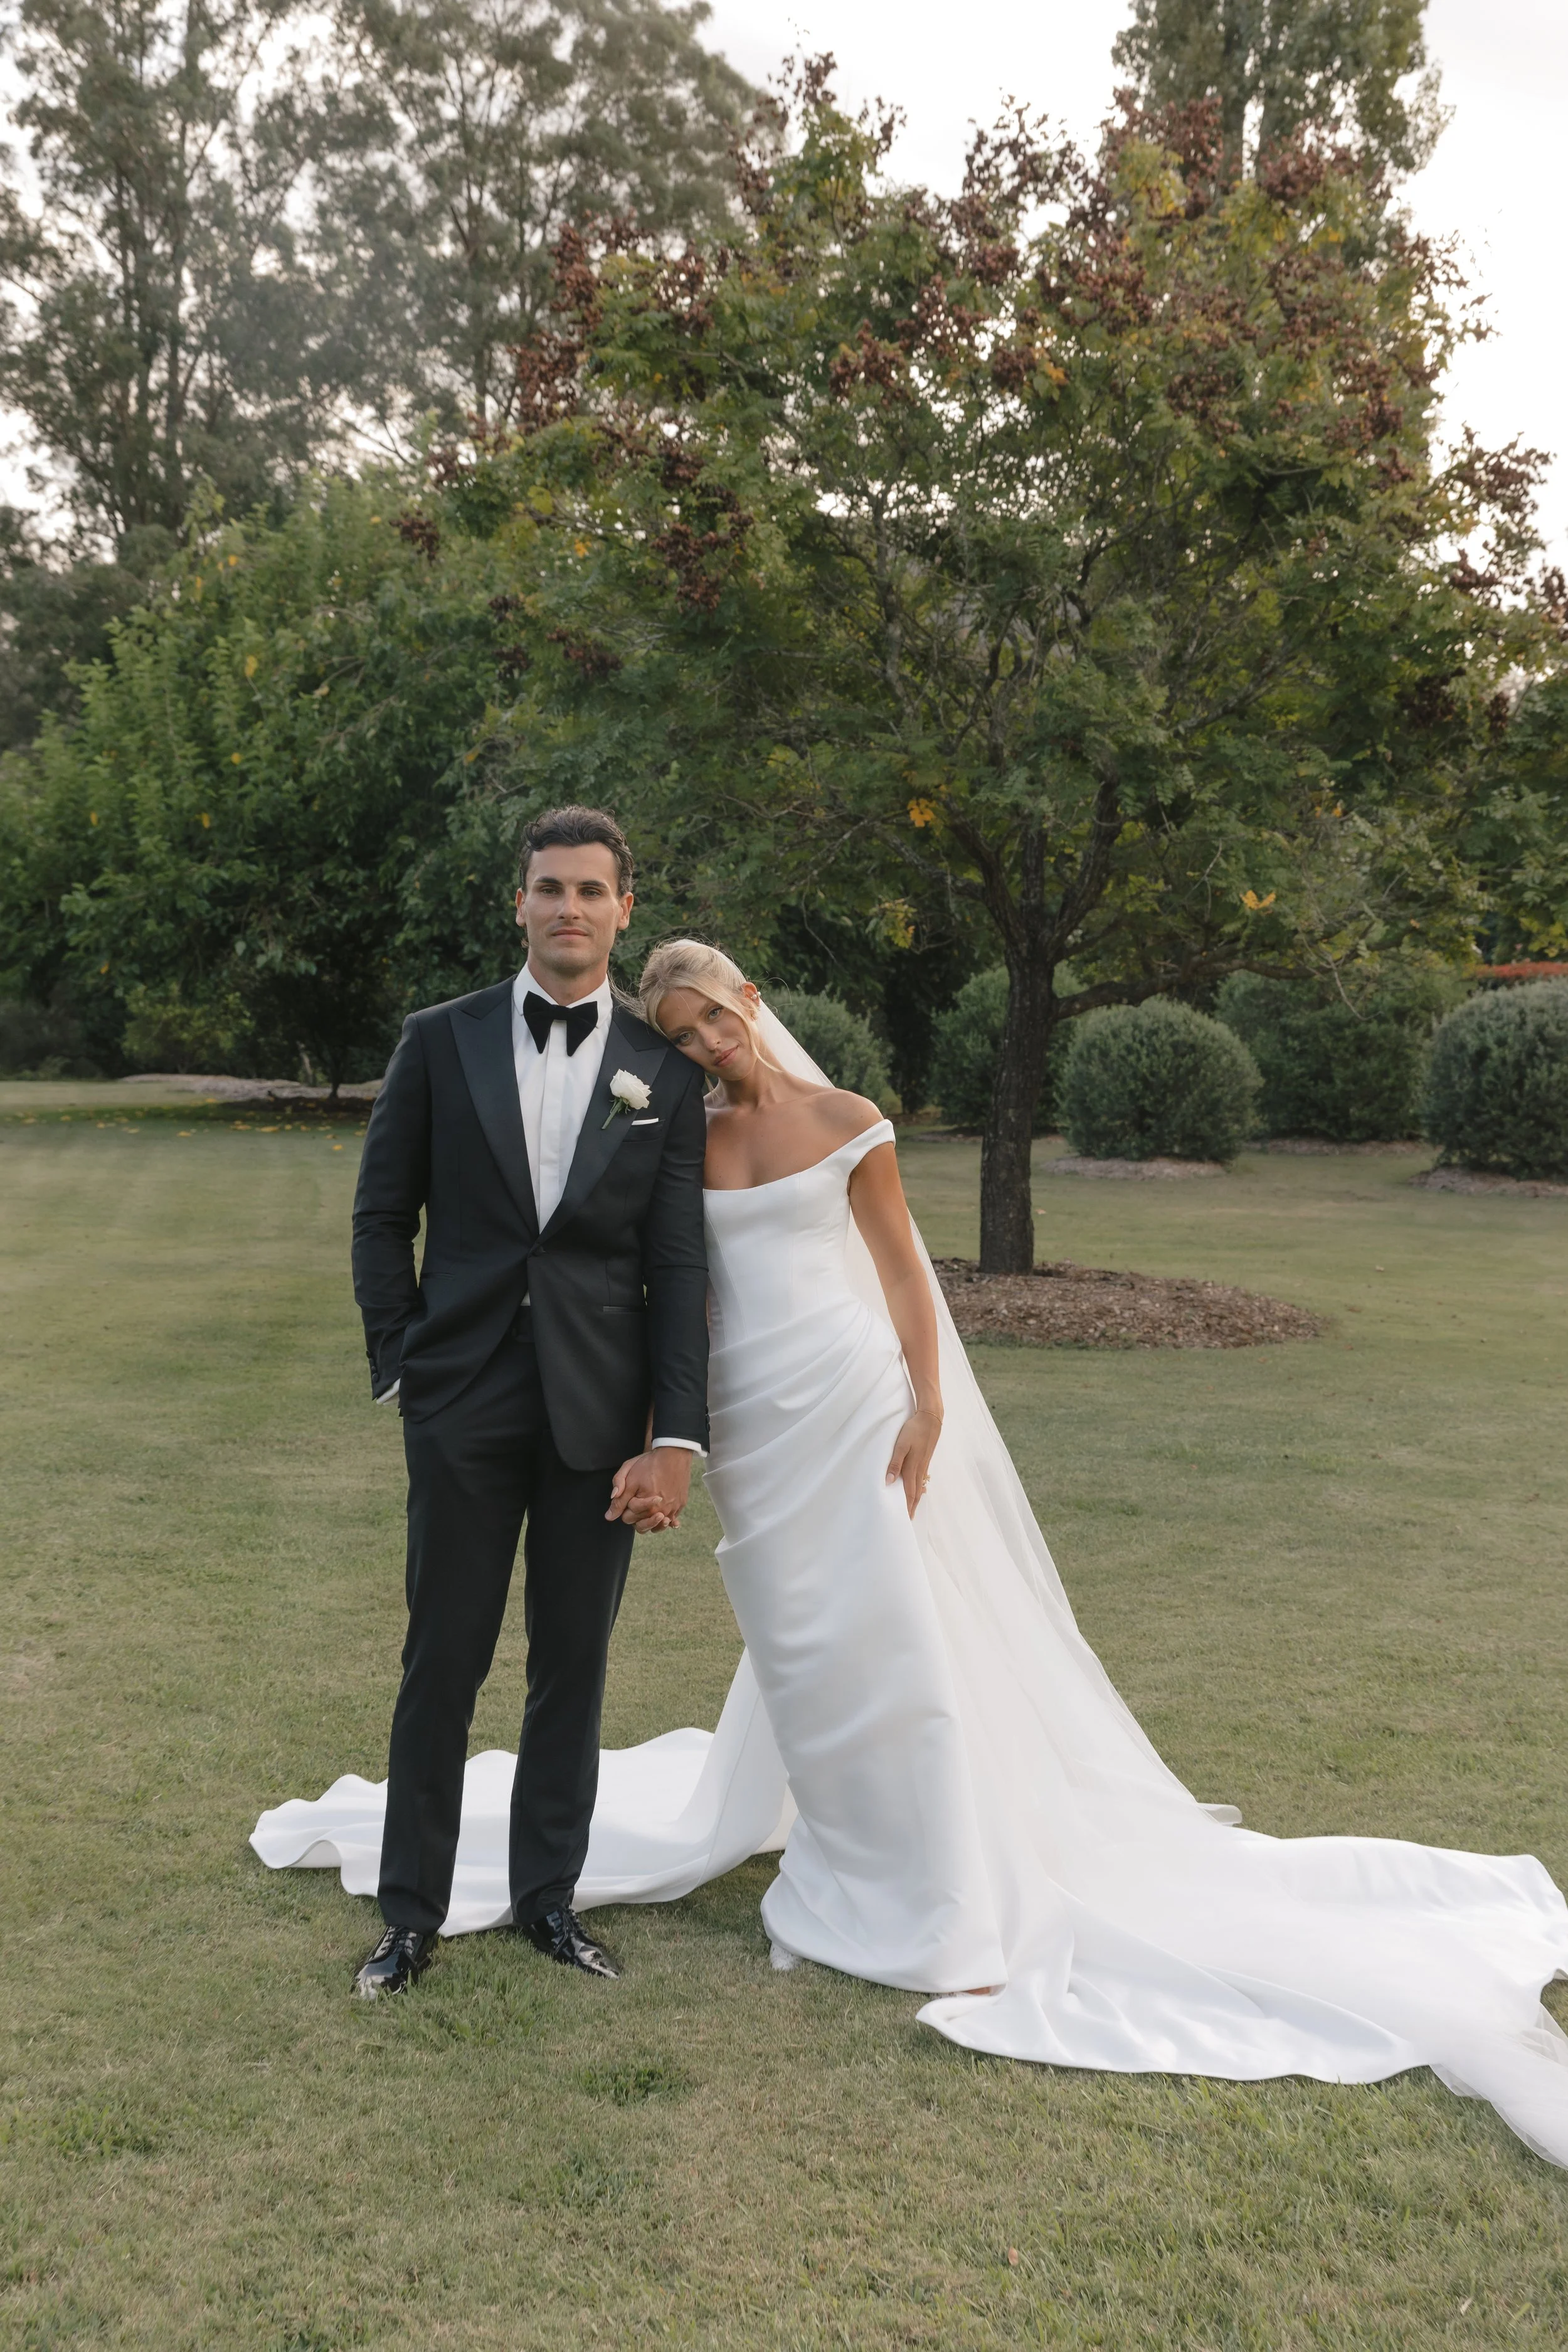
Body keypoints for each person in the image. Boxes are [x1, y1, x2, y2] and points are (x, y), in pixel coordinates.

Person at [255, 937, 1568, 2169]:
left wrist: (926, 1400)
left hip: (847, 1397)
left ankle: (935, 1896)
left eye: (715, 1014)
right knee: (794, 1644)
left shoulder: (846, 1119)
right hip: (744, 1426)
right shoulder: (669, 1134)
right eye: (682, 1031)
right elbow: (652, 1277)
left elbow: (900, 1272)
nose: (707, 1042)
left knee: (888, 1632)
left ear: (748, 998)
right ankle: (692, 1859)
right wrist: (657, 1426)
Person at [338, 808, 707, 1996]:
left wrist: (677, 1433)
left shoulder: (665, 1069)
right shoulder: (438, 1041)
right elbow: (381, 1214)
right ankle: (410, 1916)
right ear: (520, 903)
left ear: (623, 909)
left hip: (599, 1416)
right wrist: (404, 1360)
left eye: (593, 892)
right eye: (550, 888)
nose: (570, 910)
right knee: (441, 1657)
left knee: (573, 1665)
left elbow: (679, 1262)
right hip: (461, 1399)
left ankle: (551, 1899)